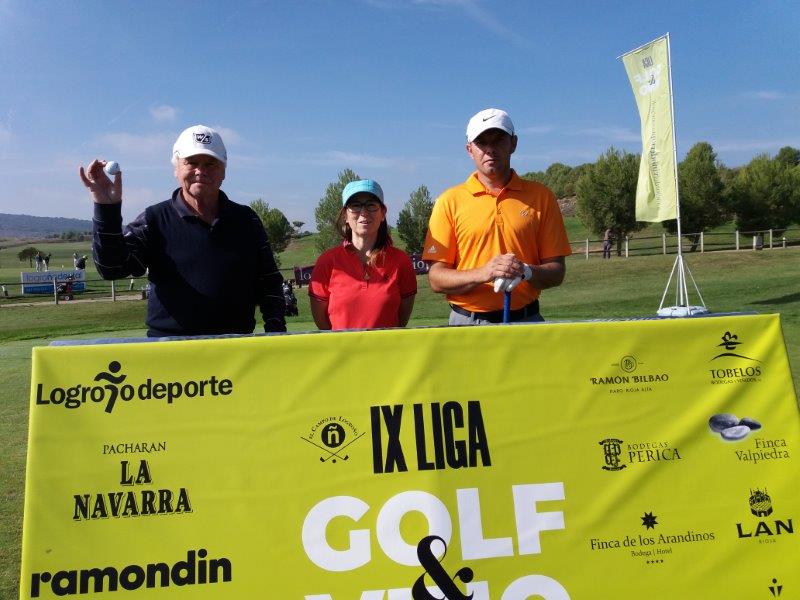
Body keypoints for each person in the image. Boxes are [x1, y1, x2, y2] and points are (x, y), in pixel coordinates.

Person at [79, 124, 286, 337]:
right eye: (192, 162)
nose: (201, 171)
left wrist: (276, 331)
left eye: (211, 164)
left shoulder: (247, 220)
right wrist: (107, 209)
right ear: (176, 168)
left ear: (223, 171)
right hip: (171, 355)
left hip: (236, 350)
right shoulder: (154, 219)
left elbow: (269, 281)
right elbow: (112, 268)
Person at [422, 108, 571, 325]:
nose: (490, 149)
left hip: (526, 320)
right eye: (482, 142)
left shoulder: (541, 196)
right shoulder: (449, 201)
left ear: (513, 143)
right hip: (466, 323)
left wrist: (526, 272)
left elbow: (556, 272)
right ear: (469, 149)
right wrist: (485, 273)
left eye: (499, 140)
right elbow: (436, 279)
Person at [309, 179, 417, 330]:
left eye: (371, 205)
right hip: (342, 352)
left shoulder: (401, 261)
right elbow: (322, 323)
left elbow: (401, 319)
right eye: (355, 206)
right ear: (345, 215)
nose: (364, 213)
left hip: (387, 351)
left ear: (383, 213)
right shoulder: (327, 261)